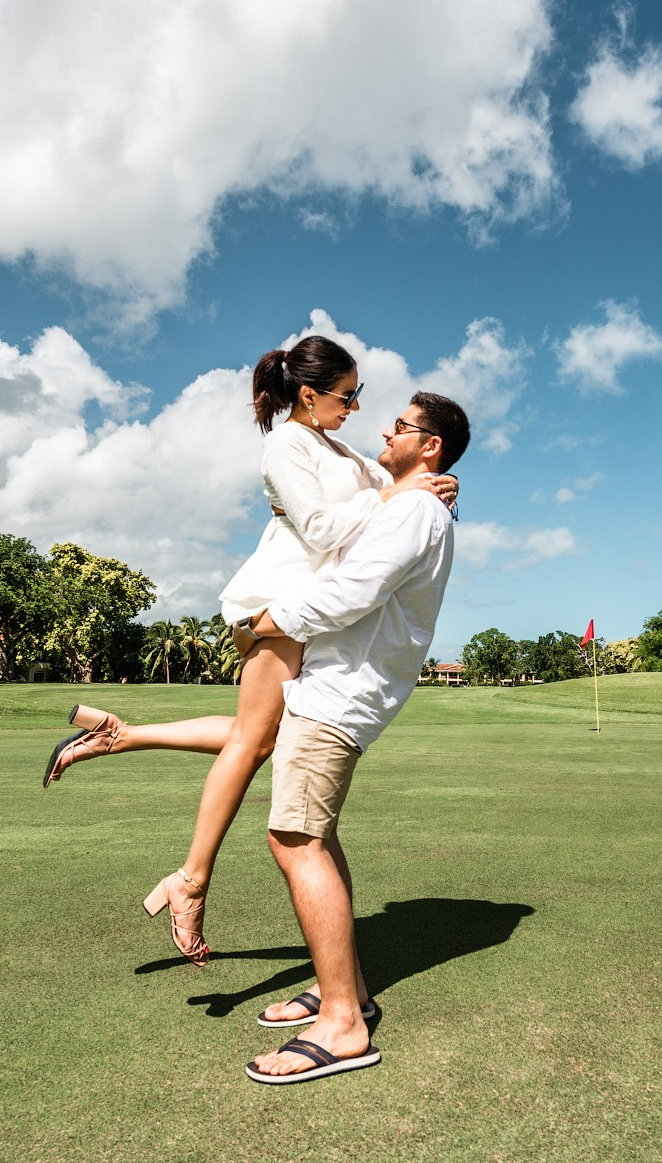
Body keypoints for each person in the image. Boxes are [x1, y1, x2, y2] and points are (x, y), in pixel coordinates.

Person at [41, 336, 457, 966]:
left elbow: (397, 486)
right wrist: (397, 495)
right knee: (254, 742)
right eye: (349, 396)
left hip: (298, 605)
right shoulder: (286, 443)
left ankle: (120, 736)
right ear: (309, 394)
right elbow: (324, 525)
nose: (358, 409)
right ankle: (190, 881)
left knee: (259, 732)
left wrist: (428, 484)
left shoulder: (335, 445)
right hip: (277, 600)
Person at [235, 391, 469, 1084]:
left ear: (430, 445)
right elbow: (353, 480)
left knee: (295, 838)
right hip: (334, 688)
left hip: (341, 693)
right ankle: (349, 988)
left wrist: (261, 621)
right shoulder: (411, 498)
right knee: (318, 835)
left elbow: (349, 591)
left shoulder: (418, 510)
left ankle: (341, 1024)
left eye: (400, 426)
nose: (384, 431)